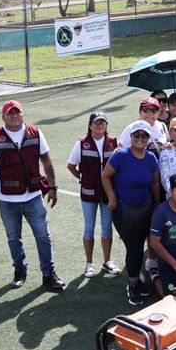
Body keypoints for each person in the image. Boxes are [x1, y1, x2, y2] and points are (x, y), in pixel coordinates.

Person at [0, 99, 66, 291]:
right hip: (7, 200)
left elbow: (47, 161)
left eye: (17, 112)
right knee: (14, 238)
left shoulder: (36, 133)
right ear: (3, 117)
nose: (14, 116)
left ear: (23, 114)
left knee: (43, 236)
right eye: (10, 113)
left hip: (33, 196)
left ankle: (49, 274)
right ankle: (19, 271)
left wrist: (53, 187)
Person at [102, 122, 163, 304]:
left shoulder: (150, 157)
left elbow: (155, 182)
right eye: (137, 135)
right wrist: (112, 198)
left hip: (145, 209)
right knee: (135, 247)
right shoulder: (121, 156)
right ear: (131, 137)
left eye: (144, 136)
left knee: (137, 245)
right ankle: (133, 283)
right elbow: (105, 175)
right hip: (123, 210)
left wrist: (157, 204)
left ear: (148, 138)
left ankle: (137, 279)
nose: (140, 139)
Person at [66, 111, 119, 278]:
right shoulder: (82, 144)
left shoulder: (113, 142)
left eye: (103, 122)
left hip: (108, 193)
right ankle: (89, 263)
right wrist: (83, 178)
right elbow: (71, 165)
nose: (100, 125)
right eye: (96, 122)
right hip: (88, 193)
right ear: (90, 125)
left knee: (107, 228)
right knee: (89, 228)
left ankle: (107, 261)